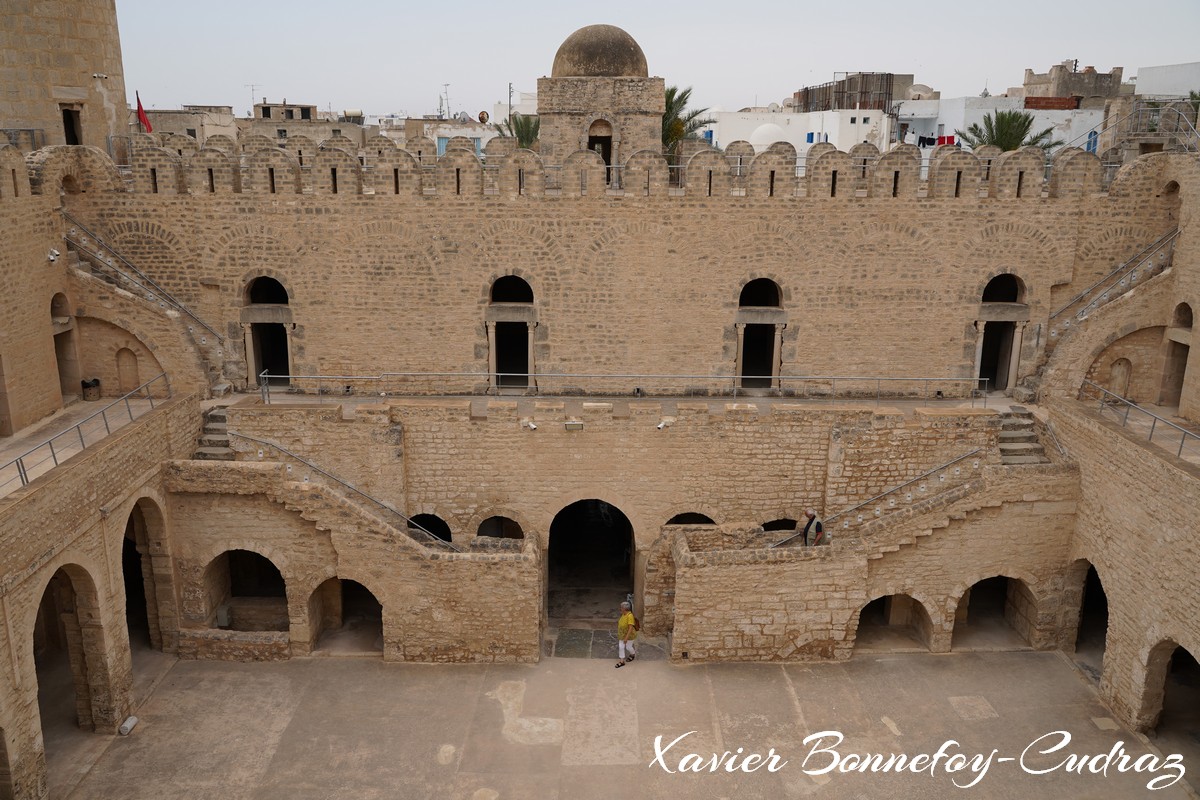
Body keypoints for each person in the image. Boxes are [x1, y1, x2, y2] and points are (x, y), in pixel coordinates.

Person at [615, 601, 638, 667]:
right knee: (621, 647)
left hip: (629, 636)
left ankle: (632, 654)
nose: (620, 608)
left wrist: (626, 638)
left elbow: (630, 628)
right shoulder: (624, 614)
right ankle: (622, 661)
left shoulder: (630, 616)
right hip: (622, 635)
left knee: (628, 647)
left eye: (621, 607)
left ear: (624, 609)